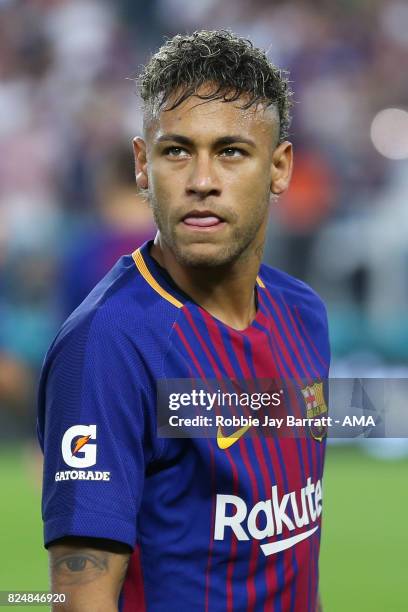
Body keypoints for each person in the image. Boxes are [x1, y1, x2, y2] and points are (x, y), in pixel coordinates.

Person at [37, 30, 330, 611]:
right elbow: (81, 594)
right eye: (176, 151)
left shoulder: (305, 315)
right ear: (143, 166)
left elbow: (292, 548)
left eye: (231, 151)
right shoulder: (108, 344)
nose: (201, 181)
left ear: (279, 168)